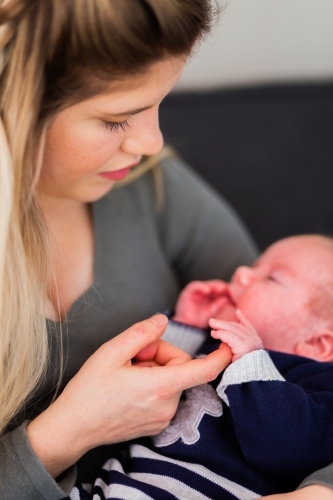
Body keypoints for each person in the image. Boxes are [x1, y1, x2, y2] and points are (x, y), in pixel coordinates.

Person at [0, 1, 331, 499]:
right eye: (117, 118)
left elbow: (294, 346)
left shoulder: (148, 185)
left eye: (159, 103)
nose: (152, 143)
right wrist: (66, 434)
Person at [71, 235, 333, 499]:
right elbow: (144, 387)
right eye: (254, 265)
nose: (241, 272)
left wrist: (252, 364)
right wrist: (187, 326)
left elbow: (290, 450)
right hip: (113, 486)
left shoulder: (318, 384)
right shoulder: (214, 341)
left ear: (319, 344)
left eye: (272, 278)